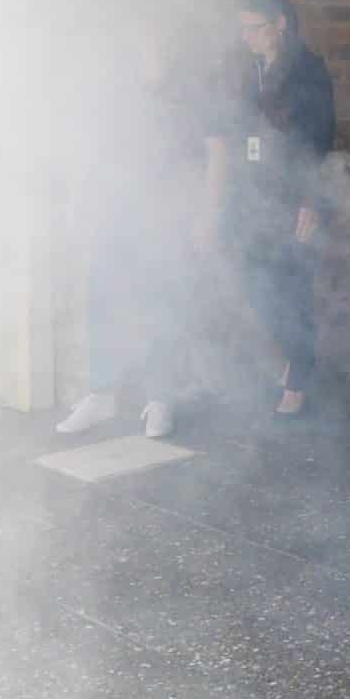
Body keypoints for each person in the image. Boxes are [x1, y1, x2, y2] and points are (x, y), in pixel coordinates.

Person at [58, 27, 208, 441]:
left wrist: (197, 213)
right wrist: (77, 204)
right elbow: (90, 154)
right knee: (104, 302)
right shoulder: (113, 98)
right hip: (114, 214)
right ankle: (102, 394)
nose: (149, 55)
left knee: (161, 304)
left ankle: (160, 399)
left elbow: (202, 161)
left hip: (163, 217)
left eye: (156, 47)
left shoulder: (187, 99)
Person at [207, 0, 335, 418]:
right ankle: (292, 360)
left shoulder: (309, 72)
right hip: (252, 193)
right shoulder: (250, 70)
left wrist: (311, 201)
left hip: (291, 194)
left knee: (291, 286)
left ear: (280, 24)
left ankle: (299, 375)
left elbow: (319, 140)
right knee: (256, 282)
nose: (246, 36)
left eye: (253, 27)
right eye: (242, 28)